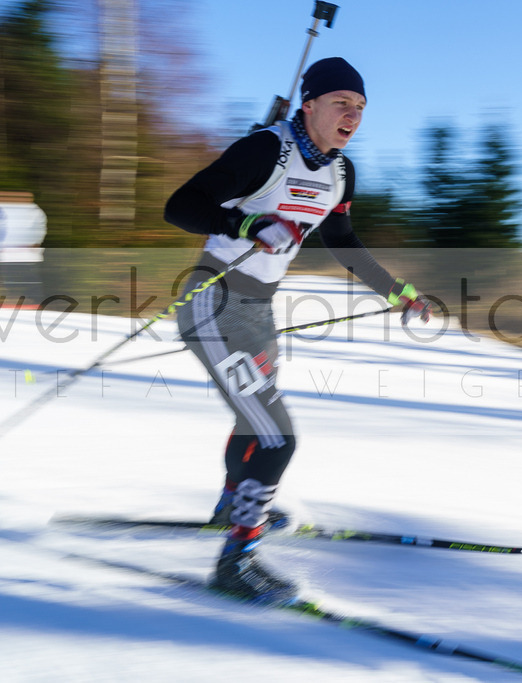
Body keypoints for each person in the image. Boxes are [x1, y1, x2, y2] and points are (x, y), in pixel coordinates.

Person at [164, 57, 431, 601]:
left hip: (258, 312)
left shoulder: (340, 173)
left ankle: (231, 506)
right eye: (341, 103)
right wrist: (249, 223)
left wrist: (398, 292)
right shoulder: (266, 149)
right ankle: (236, 563)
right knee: (275, 434)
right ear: (308, 105)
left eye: (359, 108)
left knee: (256, 417)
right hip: (212, 301)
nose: (352, 116)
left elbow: (342, 242)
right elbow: (181, 207)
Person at [0, 191, 47, 309]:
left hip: (22, 251)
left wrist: (35, 242)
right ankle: (3, 298)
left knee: (24, 274)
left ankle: (32, 299)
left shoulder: (33, 212)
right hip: (0, 251)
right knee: (0, 274)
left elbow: (38, 228)